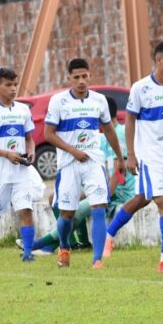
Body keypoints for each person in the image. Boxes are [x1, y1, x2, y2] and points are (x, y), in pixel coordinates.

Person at [104, 41, 163, 273]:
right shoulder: (140, 88)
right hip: (151, 158)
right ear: (158, 60)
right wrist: (131, 155)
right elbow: (130, 119)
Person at [44, 58, 125, 269]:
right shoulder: (58, 101)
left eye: (84, 76)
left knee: (99, 207)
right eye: (76, 77)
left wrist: (120, 157)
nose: (81, 81)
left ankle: (97, 259)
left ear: (90, 76)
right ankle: (63, 246)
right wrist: (73, 151)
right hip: (69, 164)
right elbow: (48, 134)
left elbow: (109, 130)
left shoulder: (99, 101)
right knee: (67, 214)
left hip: (94, 162)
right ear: (69, 78)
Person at [0, 68, 38, 263]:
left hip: (20, 173)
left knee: (26, 209)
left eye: (15, 85)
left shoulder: (22, 110)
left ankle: (27, 253)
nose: (13, 89)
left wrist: (31, 150)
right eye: (8, 85)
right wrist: (6, 154)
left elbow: (29, 138)